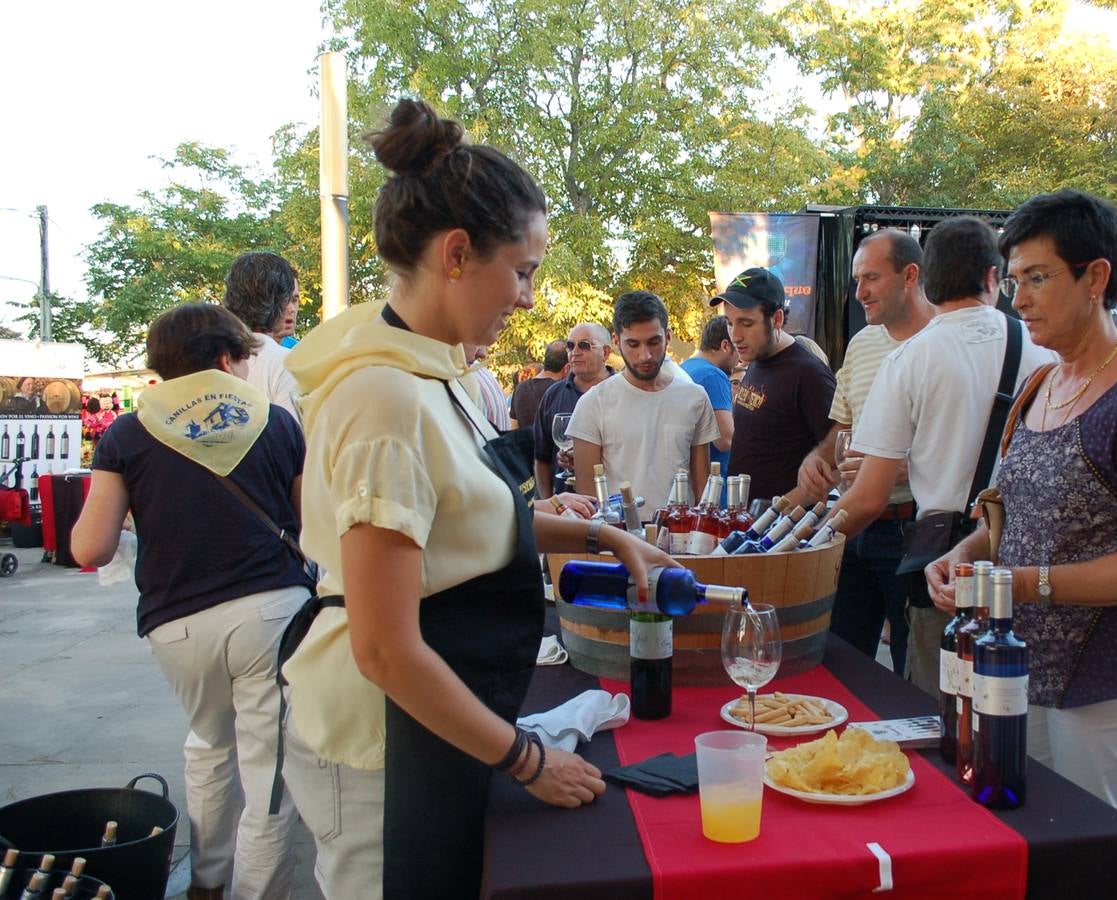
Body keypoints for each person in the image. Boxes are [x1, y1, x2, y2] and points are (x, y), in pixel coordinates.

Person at [278, 98, 672, 897]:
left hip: (435, 721)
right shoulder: (382, 397)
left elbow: (458, 524)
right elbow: (384, 648)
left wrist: (605, 540)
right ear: (457, 254)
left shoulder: (440, 374)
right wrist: (527, 760)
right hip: (379, 742)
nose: (528, 298)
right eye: (522, 271)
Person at [920, 191, 1117, 822]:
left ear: (1095, 276)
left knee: (1092, 852)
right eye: (1016, 279)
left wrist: (1020, 584)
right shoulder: (1040, 383)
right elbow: (1010, 513)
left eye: (1039, 278)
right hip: (1013, 664)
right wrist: (963, 556)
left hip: (1106, 684)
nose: (1019, 299)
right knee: (1020, 835)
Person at [70, 302, 311, 900]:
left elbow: (90, 547)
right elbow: (313, 529)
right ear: (228, 357)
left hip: (175, 623)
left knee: (208, 743)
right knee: (269, 775)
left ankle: (206, 883)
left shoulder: (127, 432)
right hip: (270, 614)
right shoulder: (278, 423)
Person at [835, 216, 1054, 700]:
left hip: (943, 568)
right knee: (1019, 714)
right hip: (1028, 560)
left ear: (926, 280)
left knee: (945, 711)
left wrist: (804, 542)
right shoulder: (1042, 351)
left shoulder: (910, 358)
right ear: (995, 277)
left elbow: (868, 497)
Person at [796, 228, 930, 676]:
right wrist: (818, 458)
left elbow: (970, 447)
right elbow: (842, 429)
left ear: (910, 275)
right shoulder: (863, 343)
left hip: (913, 531)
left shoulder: (942, 343)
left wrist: (900, 467)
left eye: (870, 278)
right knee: (839, 666)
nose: (859, 293)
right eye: (856, 280)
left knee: (914, 677)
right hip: (854, 528)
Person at [570, 291, 719, 510]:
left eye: (653, 342)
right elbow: (588, 500)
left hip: (679, 535)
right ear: (616, 341)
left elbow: (702, 490)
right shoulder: (593, 403)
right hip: (618, 537)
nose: (645, 355)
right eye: (633, 344)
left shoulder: (695, 397)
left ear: (667, 337)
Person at [714, 266, 836, 503]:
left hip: (781, 533)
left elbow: (841, 459)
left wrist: (781, 512)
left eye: (746, 324)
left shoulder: (808, 373)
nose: (735, 335)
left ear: (777, 318)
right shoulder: (757, 359)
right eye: (729, 322)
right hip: (744, 522)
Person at [532, 322, 613, 497]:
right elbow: (541, 457)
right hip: (568, 511)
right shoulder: (553, 395)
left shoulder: (623, 393)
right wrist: (550, 503)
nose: (575, 352)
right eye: (570, 346)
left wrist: (587, 457)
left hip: (615, 505)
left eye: (584, 345)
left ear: (605, 352)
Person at [223, 252, 302, 421]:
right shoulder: (287, 363)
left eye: (295, 299)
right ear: (275, 300)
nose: (291, 308)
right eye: (286, 298)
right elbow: (292, 439)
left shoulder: (210, 355)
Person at [681, 315, 737, 487]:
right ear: (725, 345)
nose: (739, 360)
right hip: (713, 484)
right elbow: (725, 440)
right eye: (738, 350)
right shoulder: (713, 376)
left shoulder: (685, 368)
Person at [509, 339, 567, 429]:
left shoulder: (520, 388)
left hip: (524, 442)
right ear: (567, 368)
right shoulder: (562, 391)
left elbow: (513, 427)